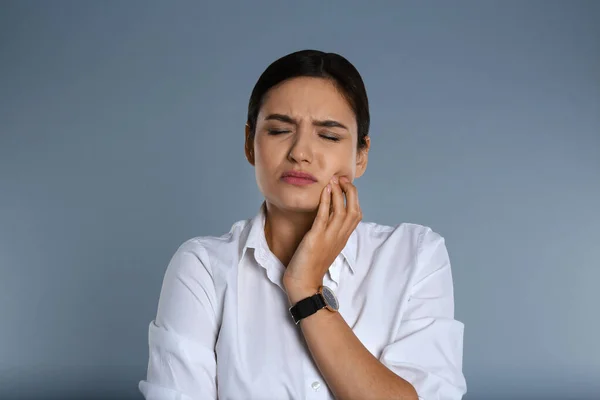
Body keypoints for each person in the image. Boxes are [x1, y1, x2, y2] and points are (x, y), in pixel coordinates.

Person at [139, 49, 467, 400]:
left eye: (328, 136)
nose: (300, 152)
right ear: (250, 144)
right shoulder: (202, 267)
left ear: (361, 154)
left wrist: (305, 289)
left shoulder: (415, 256)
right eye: (280, 130)